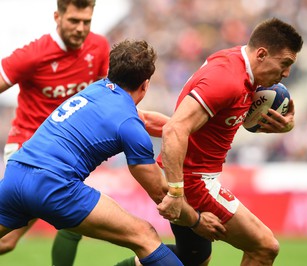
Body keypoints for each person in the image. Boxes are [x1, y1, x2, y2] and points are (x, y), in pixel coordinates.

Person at [0, 39, 224, 266]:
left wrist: (184, 129)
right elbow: (161, 195)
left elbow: (143, 118)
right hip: (54, 185)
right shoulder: (129, 124)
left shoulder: (97, 89)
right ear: (145, 85)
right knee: (144, 236)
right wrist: (197, 221)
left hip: (16, 174)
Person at [0, 1, 174, 265]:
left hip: (65, 154)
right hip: (28, 144)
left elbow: (118, 101)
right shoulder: (33, 54)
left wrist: (181, 128)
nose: (81, 29)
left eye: (86, 21)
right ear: (57, 17)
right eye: (74, 21)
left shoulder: (99, 48)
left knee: (73, 220)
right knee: (8, 242)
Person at [157, 17, 303, 266]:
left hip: (190, 175)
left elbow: (221, 115)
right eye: (285, 63)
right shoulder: (227, 79)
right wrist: (176, 192)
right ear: (262, 54)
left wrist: (285, 124)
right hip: (194, 182)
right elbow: (174, 128)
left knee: (193, 261)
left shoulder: (238, 66)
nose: (287, 73)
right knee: (265, 247)